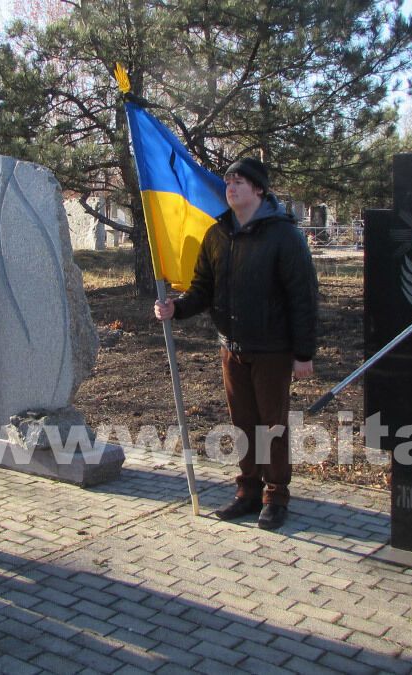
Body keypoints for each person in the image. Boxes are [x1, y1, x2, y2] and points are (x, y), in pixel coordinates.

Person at [154, 157, 318, 530]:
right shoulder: (217, 235)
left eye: (239, 181)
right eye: (228, 181)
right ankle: (247, 491)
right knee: (242, 423)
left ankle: (275, 496)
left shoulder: (284, 236)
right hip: (232, 347)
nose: (231, 187)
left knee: (271, 425)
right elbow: (203, 290)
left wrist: (303, 352)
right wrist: (176, 308)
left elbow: (303, 297)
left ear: (258, 189)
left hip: (273, 349)